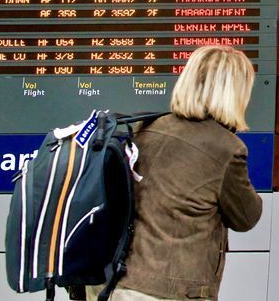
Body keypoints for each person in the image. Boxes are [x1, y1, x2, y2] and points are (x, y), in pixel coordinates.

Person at [87, 44, 263, 300]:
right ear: (234, 93)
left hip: (109, 284)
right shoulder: (226, 148)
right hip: (162, 291)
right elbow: (247, 216)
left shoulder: (142, 128)